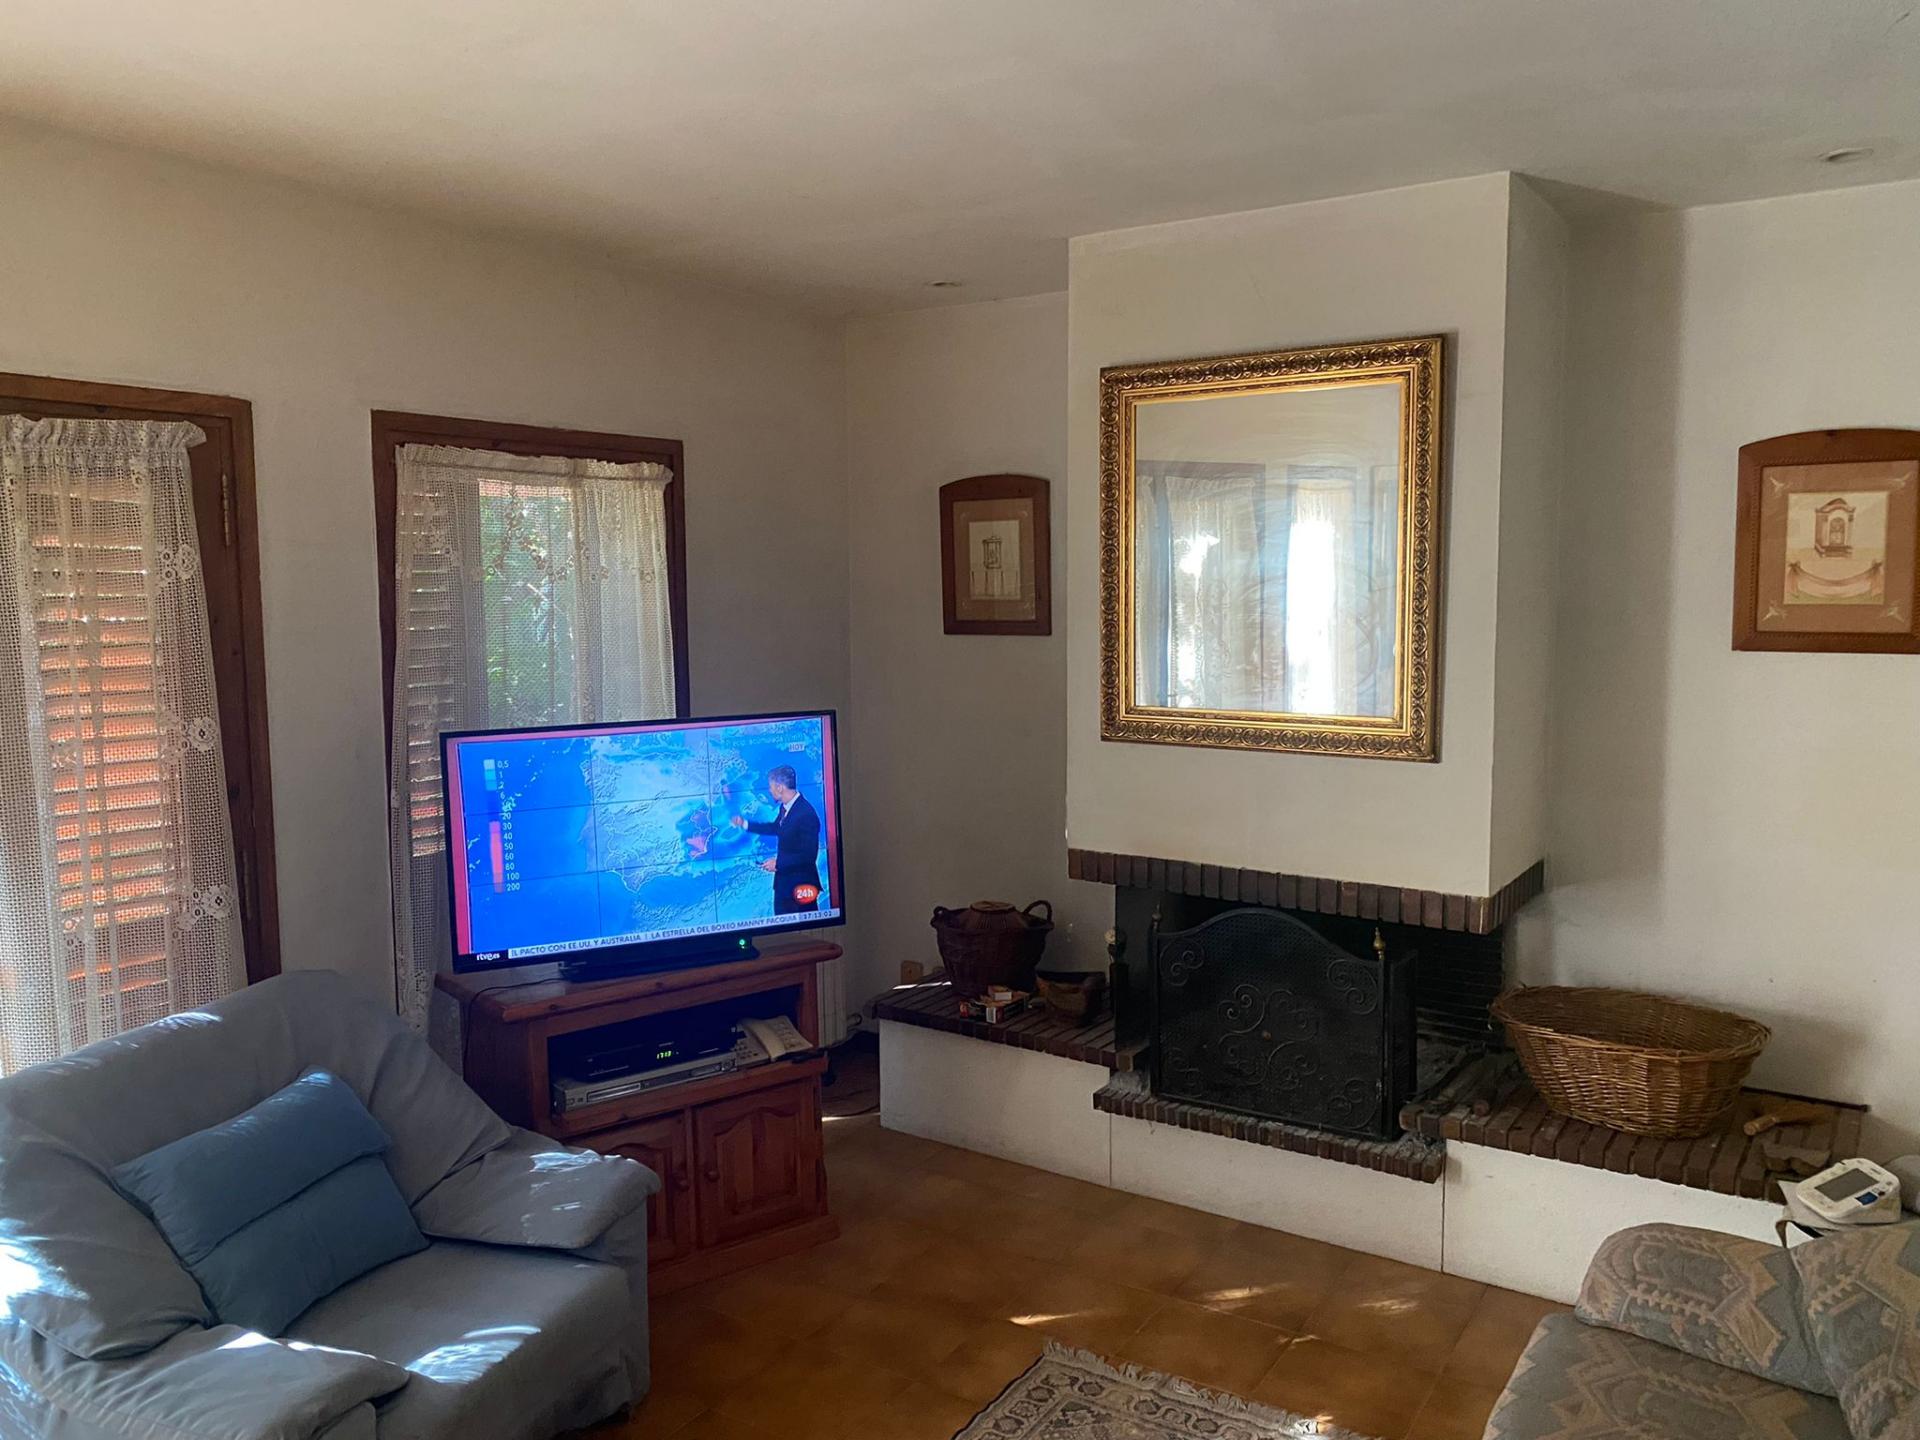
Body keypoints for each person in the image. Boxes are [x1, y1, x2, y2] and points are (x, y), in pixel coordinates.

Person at [730, 765, 822, 914]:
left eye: (771, 786)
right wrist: (745, 824)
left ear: (780, 787)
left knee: (800, 929)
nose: (769, 790)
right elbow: (775, 828)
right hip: (784, 886)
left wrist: (778, 863)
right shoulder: (786, 808)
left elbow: (808, 856)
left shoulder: (806, 814)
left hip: (801, 889)